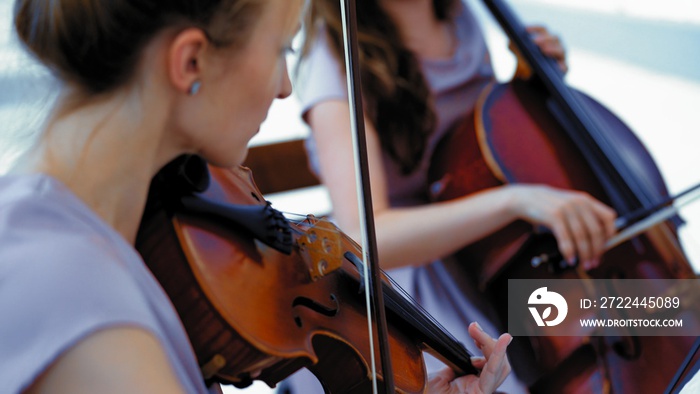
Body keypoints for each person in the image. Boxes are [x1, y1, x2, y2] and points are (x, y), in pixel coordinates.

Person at [0, 0, 513, 393]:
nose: (287, 87)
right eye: (281, 49)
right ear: (191, 61)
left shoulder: (103, 231)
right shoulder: (79, 299)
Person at [281, 0, 618, 392]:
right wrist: (513, 200)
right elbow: (367, 234)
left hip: (492, 253)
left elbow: (473, 148)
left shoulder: (460, 16)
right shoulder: (333, 50)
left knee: (659, 310)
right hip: (409, 276)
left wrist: (529, 88)